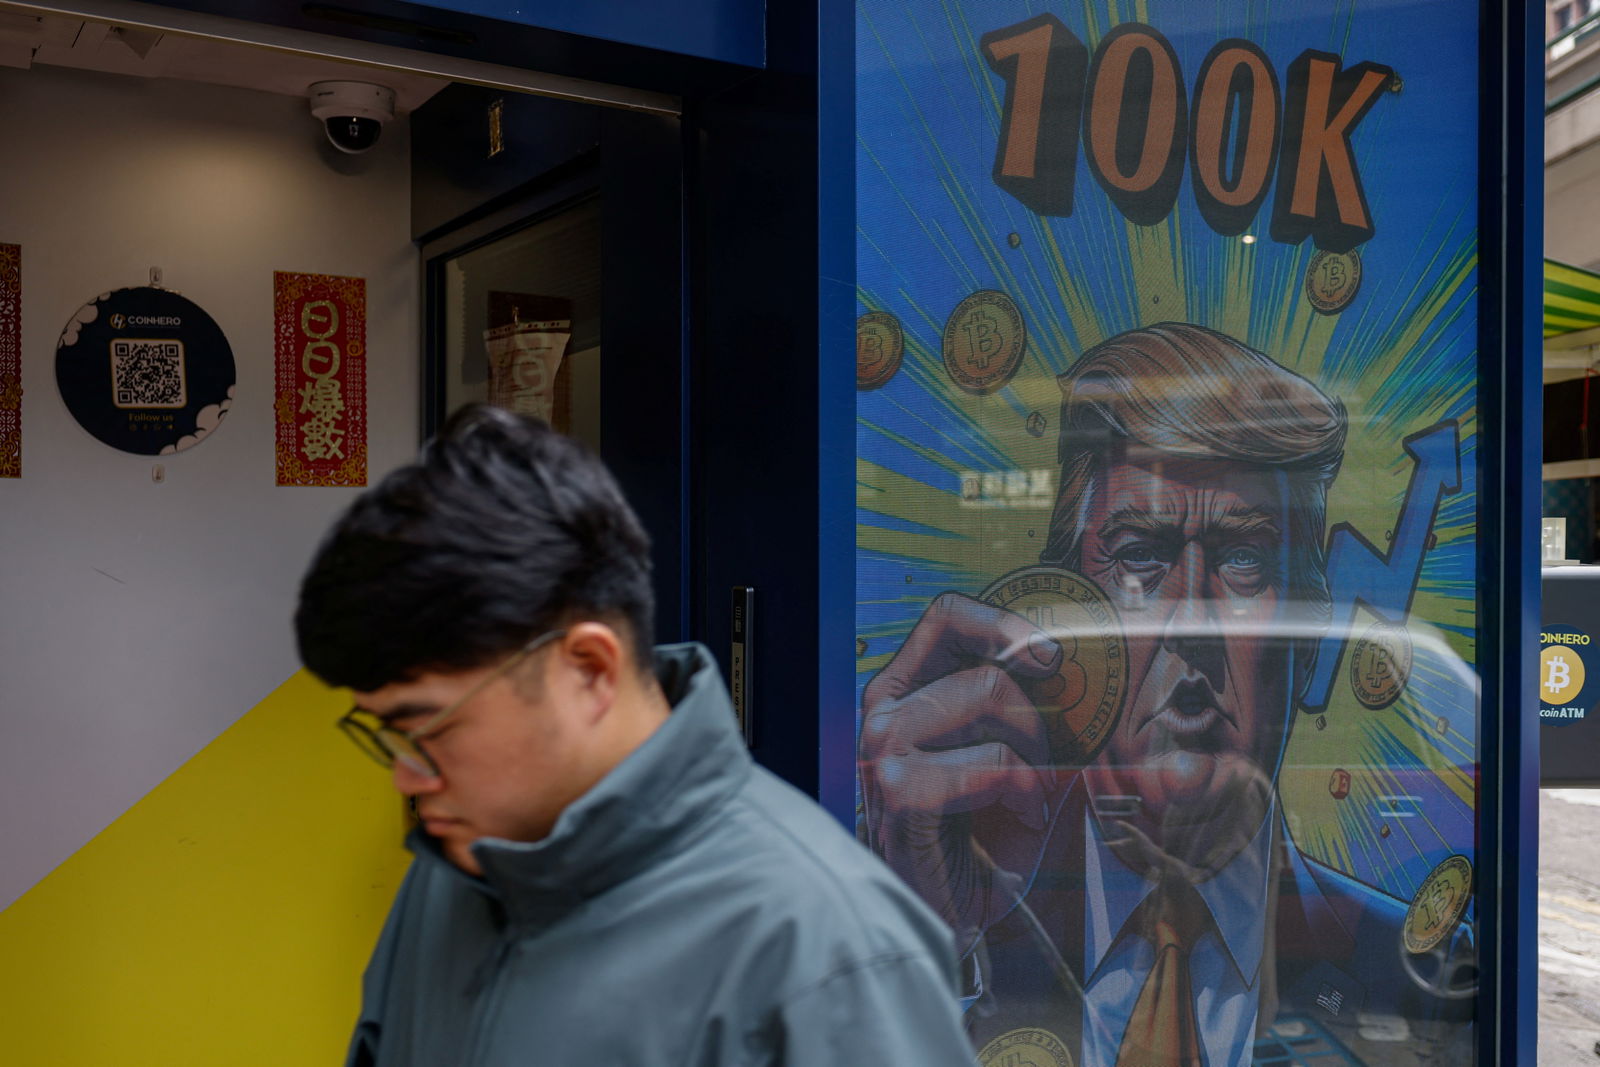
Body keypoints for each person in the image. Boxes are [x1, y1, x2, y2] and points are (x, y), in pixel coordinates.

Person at [859, 323, 1472, 1066]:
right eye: (1139, 555)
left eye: (1243, 559)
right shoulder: (971, 915)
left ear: (1309, 633)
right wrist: (921, 944)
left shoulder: (1409, 969)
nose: (1191, 620)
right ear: (1066, 615)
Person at [296, 404, 974, 1067]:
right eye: (387, 734)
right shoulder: (451, 874)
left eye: (430, 728)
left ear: (589, 669)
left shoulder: (830, 949)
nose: (407, 778)